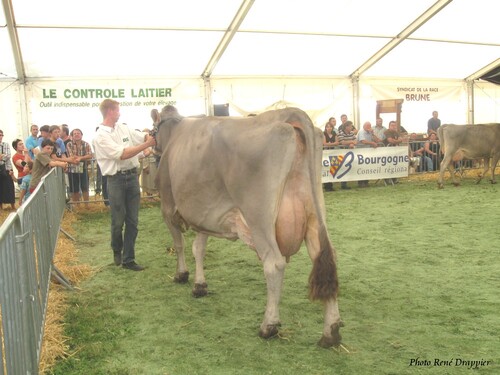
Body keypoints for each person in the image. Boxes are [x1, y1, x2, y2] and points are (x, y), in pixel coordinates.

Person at [93, 99, 156, 271]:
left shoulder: (123, 128)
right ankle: (116, 248)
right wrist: (147, 144)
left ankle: (129, 259)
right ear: (110, 111)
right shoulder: (101, 136)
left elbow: (142, 136)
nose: (119, 113)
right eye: (118, 110)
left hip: (132, 177)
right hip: (115, 180)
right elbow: (122, 154)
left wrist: (150, 136)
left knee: (133, 221)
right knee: (118, 221)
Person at [66, 128, 93, 206]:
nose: (77, 135)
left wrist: (80, 158)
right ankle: (77, 206)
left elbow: (90, 155)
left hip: (83, 167)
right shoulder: (69, 144)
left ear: (81, 135)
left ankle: (87, 205)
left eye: (78, 133)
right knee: (74, 188)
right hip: (72, 168)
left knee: (85, 187)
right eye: (75, 133)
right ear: (72, 136)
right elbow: (71, 155)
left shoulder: (86, 144)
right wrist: (82, 157)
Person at [356, 121, 379, 187]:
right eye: (368, 126)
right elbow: (363, 141)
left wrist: (372, 133)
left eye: (370, 126)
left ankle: (366, 181)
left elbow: (377, 140)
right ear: (364, 126)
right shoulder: (361, 131)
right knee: (361, 167)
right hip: (360, 152)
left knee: (367, 167)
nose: (369, 127)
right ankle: (361, 182)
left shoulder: (370, 132)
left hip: (367, 152)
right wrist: (372, 143)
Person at [337, 121, 357, 190]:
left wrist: (352, 143)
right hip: (342, 153)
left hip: (351, 153)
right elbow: (342, 142)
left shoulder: (351, 133)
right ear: (346, 127)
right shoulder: (340, 133)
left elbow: (355, 141)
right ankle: (343, 184)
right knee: (343, 168)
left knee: (348, 167)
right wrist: (351, 142)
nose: (352, 127)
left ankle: (345, 183)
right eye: (351, 126)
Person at [0, 130, 16, 210]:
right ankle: (1, 206)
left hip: (6, 168)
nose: (0, 137)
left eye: (1, 135)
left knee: (9, 187)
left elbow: (8, 156)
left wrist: (2, 157)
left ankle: (12, 205)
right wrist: (2, 156)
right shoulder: (17, 156)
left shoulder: (5, 144)